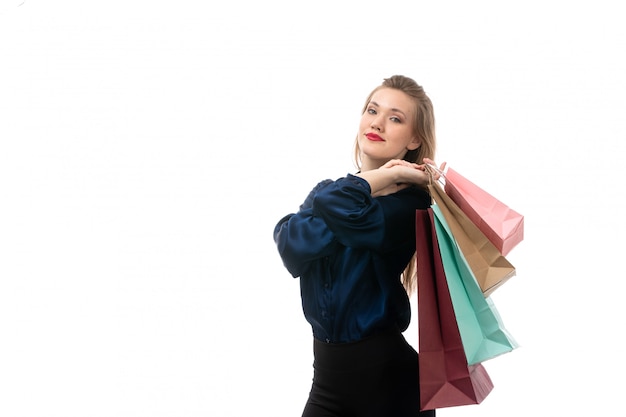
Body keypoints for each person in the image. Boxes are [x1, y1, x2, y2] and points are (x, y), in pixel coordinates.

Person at [273, 75, 443, 417]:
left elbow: (352, 215)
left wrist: (395, 182)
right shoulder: (331, 192)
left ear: (414, 139)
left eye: (395, 118)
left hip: (393, 389)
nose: (377, 123)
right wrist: (383, 176)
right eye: (372, 110)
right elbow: (290, 245)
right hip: (326, 385)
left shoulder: (411, 207)